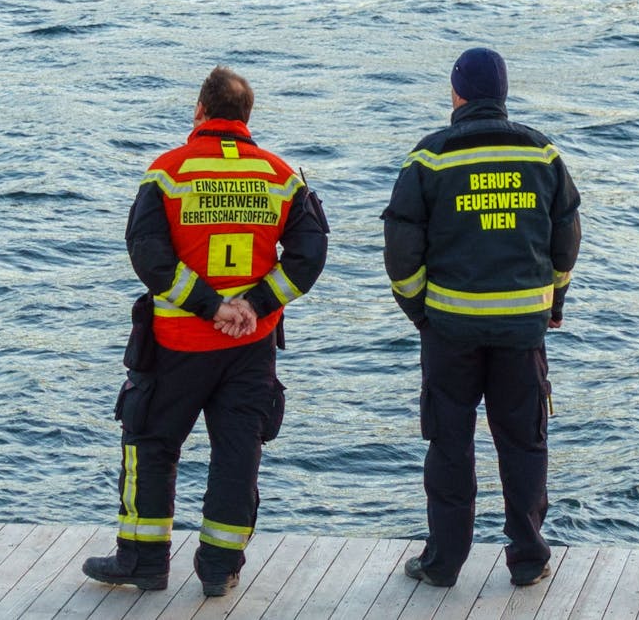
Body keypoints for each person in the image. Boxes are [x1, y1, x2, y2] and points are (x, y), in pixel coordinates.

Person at [82, 67, 329, 597]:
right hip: (250, 346)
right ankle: (219, 569)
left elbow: (148, 255)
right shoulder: (282, 177)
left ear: (199, 111)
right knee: (238, 453)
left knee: (150, 442)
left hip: (178, 345)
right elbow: (309, 258)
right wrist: (254, 305)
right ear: (246, 117)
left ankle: (143, 561)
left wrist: (210, 306)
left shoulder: (168, 172)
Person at [381, 47, 581, 589]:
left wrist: (420, 310)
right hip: (521, 330)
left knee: (450, 445)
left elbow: (401, 252)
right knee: (524, 444)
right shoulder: (542, 155)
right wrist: (553, 302)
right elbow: (566, 237)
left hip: (450, 332)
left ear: (457, 93)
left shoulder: (430, 158)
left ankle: (443, 562)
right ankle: (530, 558)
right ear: (504, 93)